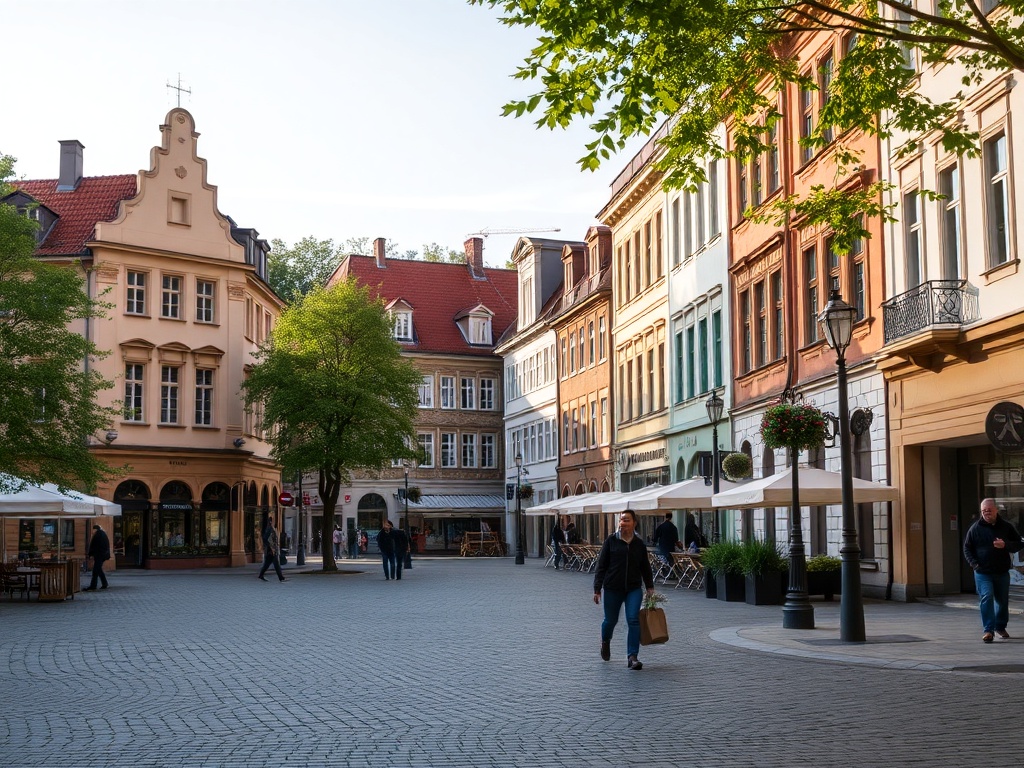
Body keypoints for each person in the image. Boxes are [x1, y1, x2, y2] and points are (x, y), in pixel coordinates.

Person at [593, 510, 655, 670]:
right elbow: (602, 566)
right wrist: (597, 588)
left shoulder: (639, 544)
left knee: (633, 619)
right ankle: (605, 641)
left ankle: (632, 656)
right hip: (612, 588)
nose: (623, 523)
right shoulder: (611, 541)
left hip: (633, 588)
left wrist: (649, 587)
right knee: (610, 621)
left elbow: (645, 566)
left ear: (634, 523)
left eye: (627, 520)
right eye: (621, 520)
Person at [963, 498, 1023, 642]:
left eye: (989, 510)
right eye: (983, 511)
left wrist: (1005, 545)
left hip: (1001, 571)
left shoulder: (1007, 527)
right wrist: (974, 564)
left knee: (1002, 601)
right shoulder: (975, 528)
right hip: (982, 572)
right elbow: (967, 548)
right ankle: (988, 630)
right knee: (987, 596)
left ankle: (1000, 626)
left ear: (996, 510)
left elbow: (1019, 544)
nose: (986, 513)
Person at [258, 517, 287, 582]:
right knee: (276, 564)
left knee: (267, 564)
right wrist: (270, 548)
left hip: (272, 550)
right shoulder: (270, 529)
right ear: (270, 522)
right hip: (271, 550)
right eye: (272, 521)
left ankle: (261, 575)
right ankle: (281, 577)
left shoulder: (271, 529)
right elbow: (266, 539)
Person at [83, 524, 111, 591]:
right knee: (97, 570)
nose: (92, 532)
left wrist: (90, 554)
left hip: (100, 555)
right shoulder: (101, 533)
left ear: (95, 529)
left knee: (96, 570)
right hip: (102, 555)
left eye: (93, 530)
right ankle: (102, 584)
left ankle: (94, 586)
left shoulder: (98, 535)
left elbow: (94, 546)